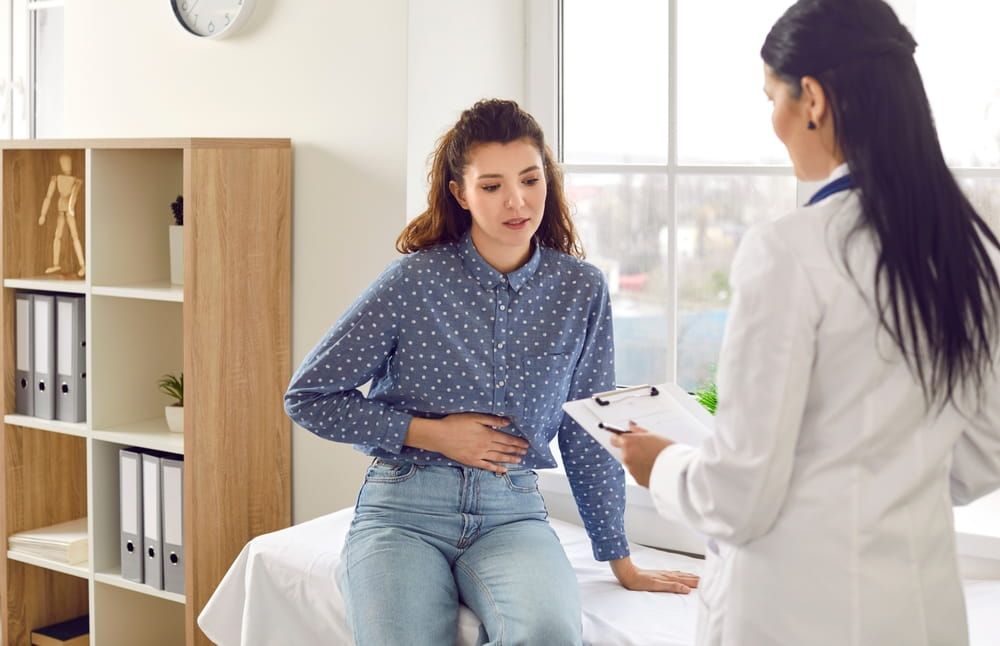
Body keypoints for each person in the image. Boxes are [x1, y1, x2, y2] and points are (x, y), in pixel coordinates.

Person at [613, 1, 1000, 644]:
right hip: (920, 613)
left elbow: (739, 496)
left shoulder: (790, 250)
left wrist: (664, 465)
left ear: (813, 99)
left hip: (795, 614)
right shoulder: (972, 247)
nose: (775, 122)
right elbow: (986, 451)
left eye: (772, 99)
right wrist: (887, 487)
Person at [284, 99, 698, 646]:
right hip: (403, 509)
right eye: (492, 185)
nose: (517, 201)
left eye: (530, 179)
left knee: (550, 633)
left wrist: (618, 558)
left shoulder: (580, 289)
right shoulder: (415, 281)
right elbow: (309, 395)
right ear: (460, 193)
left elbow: (584, 428)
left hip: (514, 512)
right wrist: (431, 434)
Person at [39, 153, 86, 277]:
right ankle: (56, 264)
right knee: (57, 236)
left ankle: (82, 264)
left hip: (69, 211)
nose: (67, 166)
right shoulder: (56, 178)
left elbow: (73, 198)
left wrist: (70, 208)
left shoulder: (76, 181)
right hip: (61, 210)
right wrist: (43, 214)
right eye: (64, 163)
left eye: (68, 163)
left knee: (75, 236)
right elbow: (48, 197)